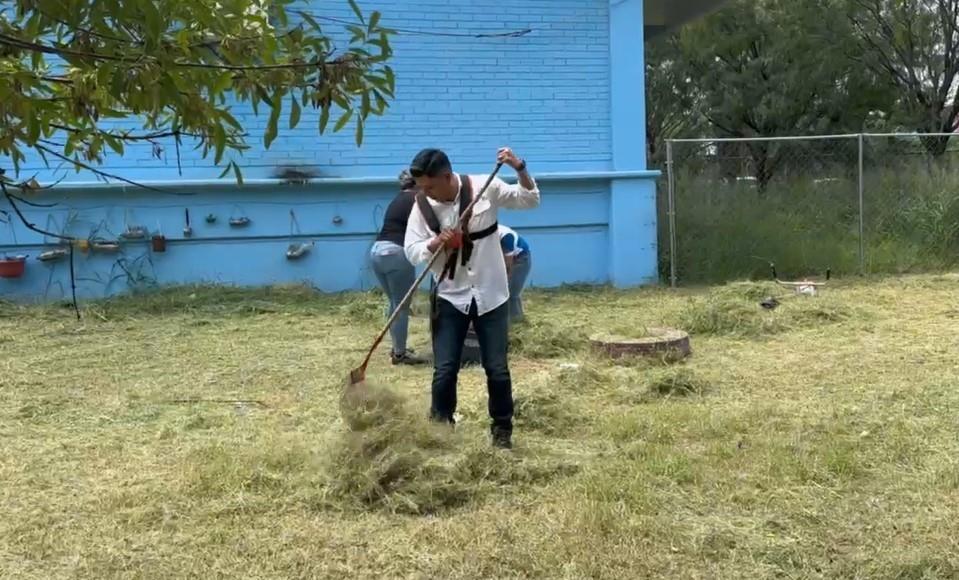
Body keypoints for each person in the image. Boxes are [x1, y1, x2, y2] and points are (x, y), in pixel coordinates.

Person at [404, 147, 539, 449]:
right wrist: (436, 242)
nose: (426, 193)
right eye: (421, 188)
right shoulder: (422, 206)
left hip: (492, 293)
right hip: (451, 295)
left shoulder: (485, 187)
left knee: (497, 369)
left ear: (446, 176)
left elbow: (529, 199)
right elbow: (411, 251)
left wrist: (520, 167)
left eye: (430, 186)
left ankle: (502, 434)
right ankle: (440, 431)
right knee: (445, 369)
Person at [369, 170, 429, 366]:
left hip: (377, 252)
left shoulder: (398, 199)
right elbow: (432, 224)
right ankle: (400, 354)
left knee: (395, 304)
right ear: (417, 182)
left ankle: (396, 348)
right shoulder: (417, 199)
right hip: (396, 253)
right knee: (401, 306)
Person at [498, 224, 531, 323]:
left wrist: (505, 277)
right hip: (507, 259)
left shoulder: (505, 236)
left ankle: (514, 321)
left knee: (510, 292)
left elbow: (508, 263)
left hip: (520, 259)